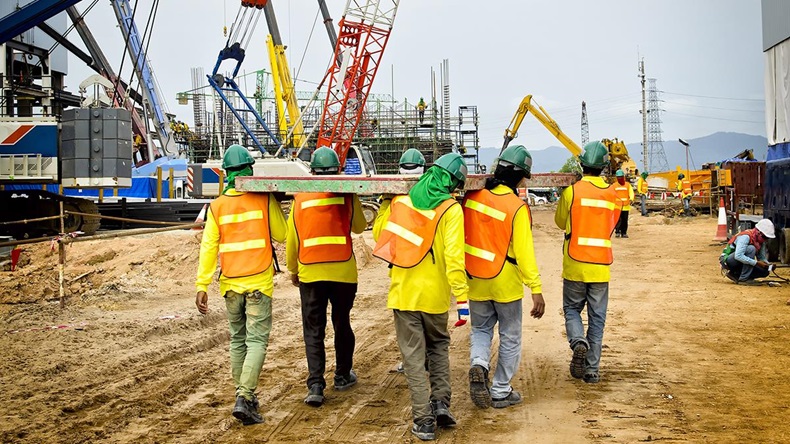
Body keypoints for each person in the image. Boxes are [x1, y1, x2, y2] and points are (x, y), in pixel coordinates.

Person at [372, 152, 469, 441]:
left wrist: (385, 204)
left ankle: (423, 421)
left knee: (413, 359)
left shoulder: (401, 202)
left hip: (403, 294)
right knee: (438, 347)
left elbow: (380, 236)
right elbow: (454, 257)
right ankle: (441, 405)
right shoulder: (451, 210)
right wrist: (462, 300)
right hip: (435, 296)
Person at [195, 144, 288, 425]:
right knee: (257, 340)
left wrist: (202, 284)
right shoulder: (262, 199)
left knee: (238, 340)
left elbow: (209, 246)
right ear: (250, 169)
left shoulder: (217, 205)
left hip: (230, 285)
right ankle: (244, 396)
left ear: (226, 173)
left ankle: (244, 394)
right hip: (258, 281)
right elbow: (282, 235)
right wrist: (272, 199)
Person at [462, 145, 545, 410]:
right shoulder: (517, 207)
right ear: (519, 177)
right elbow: (525, 253)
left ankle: (479, 364)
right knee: (510, 336)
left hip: (475, 279)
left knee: (481, 330)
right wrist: (536, 288)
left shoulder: (472, 197)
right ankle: (499, 390)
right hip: (505, 282)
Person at [286, 147, 367, 407]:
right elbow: (359, 227)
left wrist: (293, 270)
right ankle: (342, 375)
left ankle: (316, 385)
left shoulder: (300, 198)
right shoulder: (346, 192)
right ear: (338, 170)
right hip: (343, 271)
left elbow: (292, 239)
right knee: (341, 322)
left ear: (312, 170)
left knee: (313, 329)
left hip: (310, 271)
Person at [554, 141, 621, 385]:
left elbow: (561, 222)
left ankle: (577, 341)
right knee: (597, 319)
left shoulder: (571, 192)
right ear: (604, 167)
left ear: (581, 165)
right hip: (601, 267)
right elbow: (612, 225)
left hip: (574, 263)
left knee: (572, 310)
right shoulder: (613, 194)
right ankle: (592, 370)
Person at [720, 219, 775, 283]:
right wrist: (756, 263)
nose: (765, 240)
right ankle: (743, 279)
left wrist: (769, 265)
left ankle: (735, 274)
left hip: (740, 262)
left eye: (767, 238)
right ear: (758, 232)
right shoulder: (745, 237)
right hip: (729, 261)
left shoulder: (760, 241)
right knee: (751, 249)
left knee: (765, 271)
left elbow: (761, 257)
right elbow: (738, 256)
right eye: (765, 237)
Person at [613, 169, 634, 238]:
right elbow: (611, 194)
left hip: (625, 206)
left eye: (621, 177)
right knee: (618, 220)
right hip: (617, 206)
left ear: (623, 177)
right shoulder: (614, 185)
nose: (620, 178)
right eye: (618, 177)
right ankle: (617, 232)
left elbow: (631, 192)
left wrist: (631, 199)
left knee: (624, 220)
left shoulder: (627, 185)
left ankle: (624, 233)